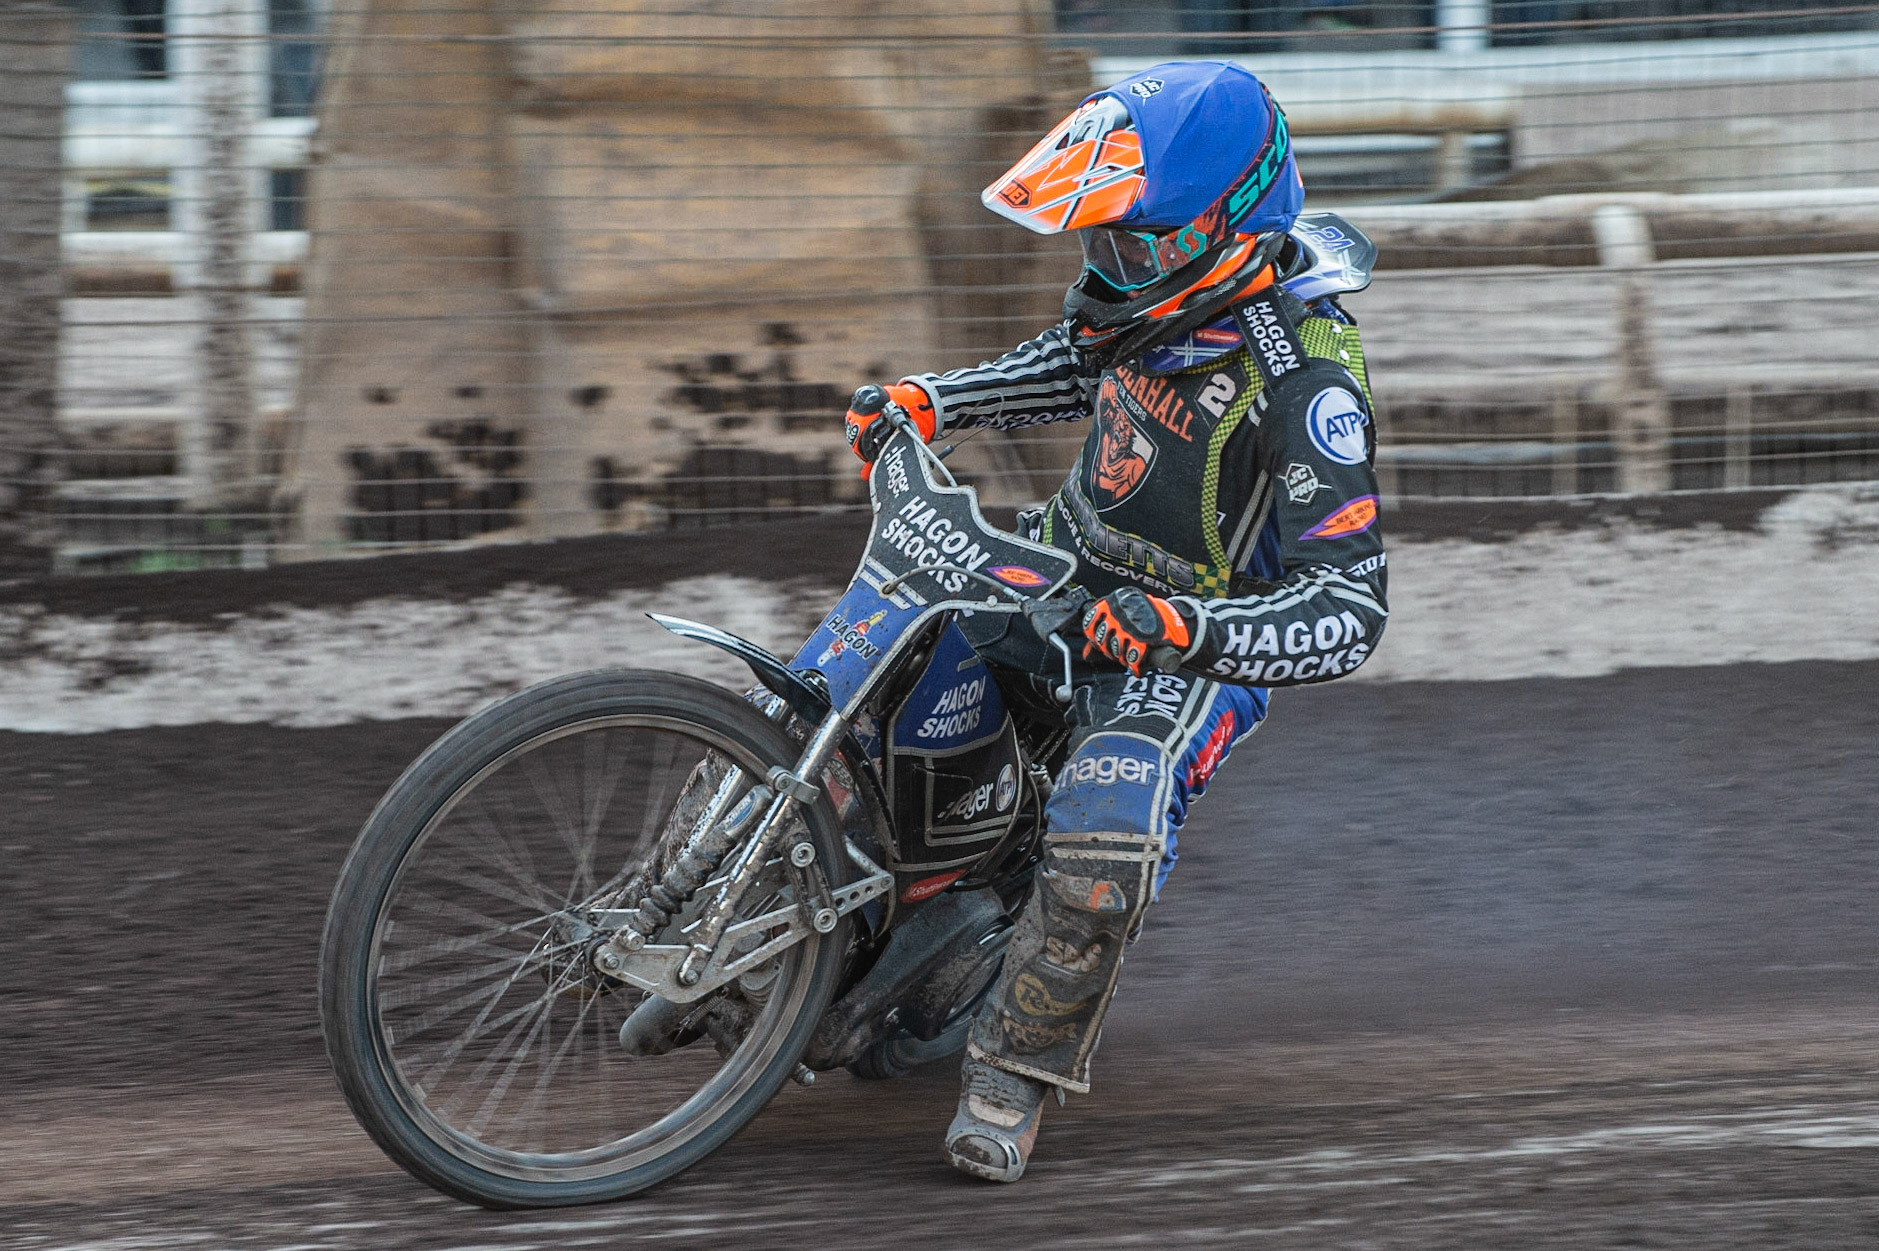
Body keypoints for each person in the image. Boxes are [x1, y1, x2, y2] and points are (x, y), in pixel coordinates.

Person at [842, 60, 1389, 1183]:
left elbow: (1349, 611)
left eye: (1134, 247)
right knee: (881, 673)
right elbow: (1077, 361)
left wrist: (1187, 631)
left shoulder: (1306, 382)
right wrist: (939, 400)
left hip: (1189, 639)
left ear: (1228, 226)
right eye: (1099, 243)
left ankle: (1010, 1074)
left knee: (1106, 820)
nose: (1109, 268)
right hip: (1065, 561)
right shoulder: (1151, 290)